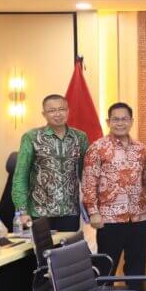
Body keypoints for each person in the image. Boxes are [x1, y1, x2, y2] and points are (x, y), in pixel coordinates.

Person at [82, 102, 146, 291]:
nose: (120, 123)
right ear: (108, 122)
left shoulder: (141, 149)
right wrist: (93, 212)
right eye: (116, 119)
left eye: (124, 119)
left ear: (131, 121)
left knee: (136, 265)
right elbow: (89, 183)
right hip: (109, 219)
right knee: (107, 265)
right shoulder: (97, 148)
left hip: (138, 218)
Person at [11, 94, 88, 231]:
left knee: (68, 245)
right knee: (41, 246)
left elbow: (86, 174)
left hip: (70, 211)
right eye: (52, 110)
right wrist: (22, 211)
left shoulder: (80, 137)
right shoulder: (32, 137)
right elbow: (20, 176)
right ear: (44, 114)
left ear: (68, 111)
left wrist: (92, 206)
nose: (58, 114)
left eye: (62, 109)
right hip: (39, 211)